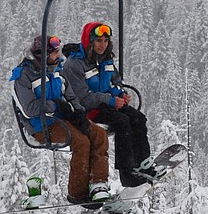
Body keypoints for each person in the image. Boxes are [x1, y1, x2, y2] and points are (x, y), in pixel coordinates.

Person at [62, 21, 168, 187]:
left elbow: (115, 82)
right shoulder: (74, 64)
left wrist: (120, 94)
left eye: (105, 41)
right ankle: (127, 173)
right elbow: (82, 98)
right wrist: (110, 100)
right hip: (88, 110)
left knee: (138, 118)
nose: (102, 45)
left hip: (107, 104)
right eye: (98, 41)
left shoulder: (105, 60)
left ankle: (144, 164)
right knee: (122, 122)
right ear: (89, 41)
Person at [10, 34, 112, 204]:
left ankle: (99, 184)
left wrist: (78, 113)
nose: (59, 56)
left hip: (62, 120)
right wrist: (56, 105)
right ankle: (77, 193)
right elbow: (29, 110)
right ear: (43, 54)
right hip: (41, 126)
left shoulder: (57, 70)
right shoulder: (23, 76)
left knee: (99, 134)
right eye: (55, 53)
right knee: (81, 142)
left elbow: (70, 96)